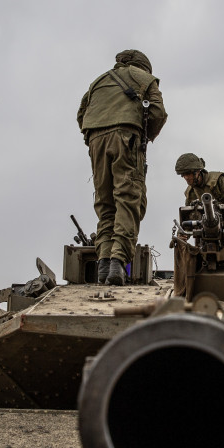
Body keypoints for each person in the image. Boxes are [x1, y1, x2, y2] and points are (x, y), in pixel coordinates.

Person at [78, 49, 167, 285]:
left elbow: (81, 114)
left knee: (105, 203)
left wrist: (95, 137)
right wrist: (144, 136)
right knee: (128, 199)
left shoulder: (98, 81)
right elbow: (158, 112)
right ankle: (118, 261)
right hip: (126, 137)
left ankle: (104, 263)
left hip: (95, 140)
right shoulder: (143, 78)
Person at [175, 152, 224, 268]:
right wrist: (183, 235)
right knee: (203, 247)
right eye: (183, 175)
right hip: (207, 228)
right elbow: (190, 218)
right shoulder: (191, 193)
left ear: (197, 171)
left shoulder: (219, 181)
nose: (186, 178)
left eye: (188, 174)